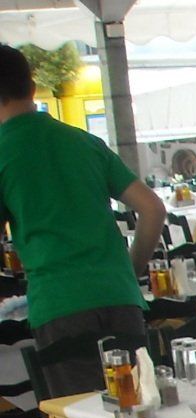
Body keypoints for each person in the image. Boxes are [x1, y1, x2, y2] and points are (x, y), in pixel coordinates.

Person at [0, 43, 165, 398]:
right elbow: (152, 208)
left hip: (60, 306)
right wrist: (130, 270)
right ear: (31, 85)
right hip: (120, 298)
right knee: (137, 417)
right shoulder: (84, 142)